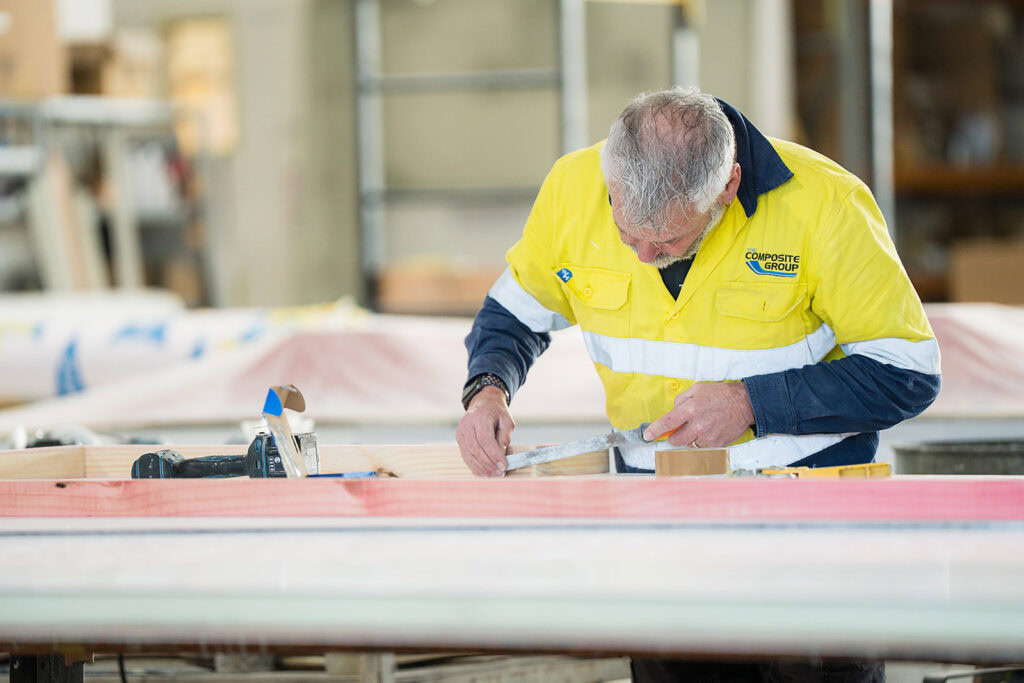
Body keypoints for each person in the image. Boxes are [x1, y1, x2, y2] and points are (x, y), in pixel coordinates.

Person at [456, 88, 939, 679]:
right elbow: (514, 314)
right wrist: (488, 389)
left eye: (667, 242)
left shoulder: (828, 204)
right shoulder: (572, 187)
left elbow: (908, 372)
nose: (641, 255)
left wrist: (751, 402)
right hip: (663, 538)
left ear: (728, 186)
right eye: (626, 232)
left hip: (814, 542)